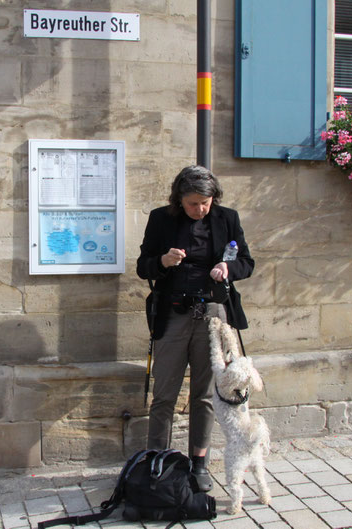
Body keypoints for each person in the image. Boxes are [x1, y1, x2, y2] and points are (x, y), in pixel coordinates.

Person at [136, 165, 254, 492]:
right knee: (164, 394)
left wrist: (226, 267)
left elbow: (246, 262)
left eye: (205, 202)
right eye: (192, 203)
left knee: (203, 394)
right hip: (173, 313)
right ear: (179, 199)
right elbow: (142, 265)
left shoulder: (226, 218)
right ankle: (156, 461)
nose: (200, 209)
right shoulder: (161, 218)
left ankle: (199, 462)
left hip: (213, 313)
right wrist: (163, 262)